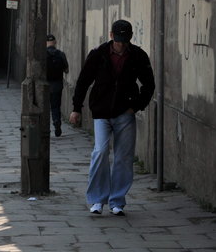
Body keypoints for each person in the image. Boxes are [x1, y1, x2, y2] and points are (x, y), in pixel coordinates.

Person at [69, 19, 155, 216]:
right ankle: (97, 200)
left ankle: (117, 200)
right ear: (111, 36)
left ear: (130, 38)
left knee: (123, 158)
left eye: (124, 41)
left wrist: (136, 106)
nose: (121, 45)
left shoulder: (138, 56)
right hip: (101, 112)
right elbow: (83, 81)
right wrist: (76, 108)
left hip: (125, 112)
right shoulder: (98, 54)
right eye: (118, 41)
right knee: (100, 152)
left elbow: (149, 84)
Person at [46, 34, 69, 137]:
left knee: (44, 108)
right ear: (55, 42)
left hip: (45, 86)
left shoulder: (43, 55)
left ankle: (44, 129)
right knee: (56, 106)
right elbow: (66, 70)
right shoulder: (60, 54)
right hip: (57, 85)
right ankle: (56, 122)